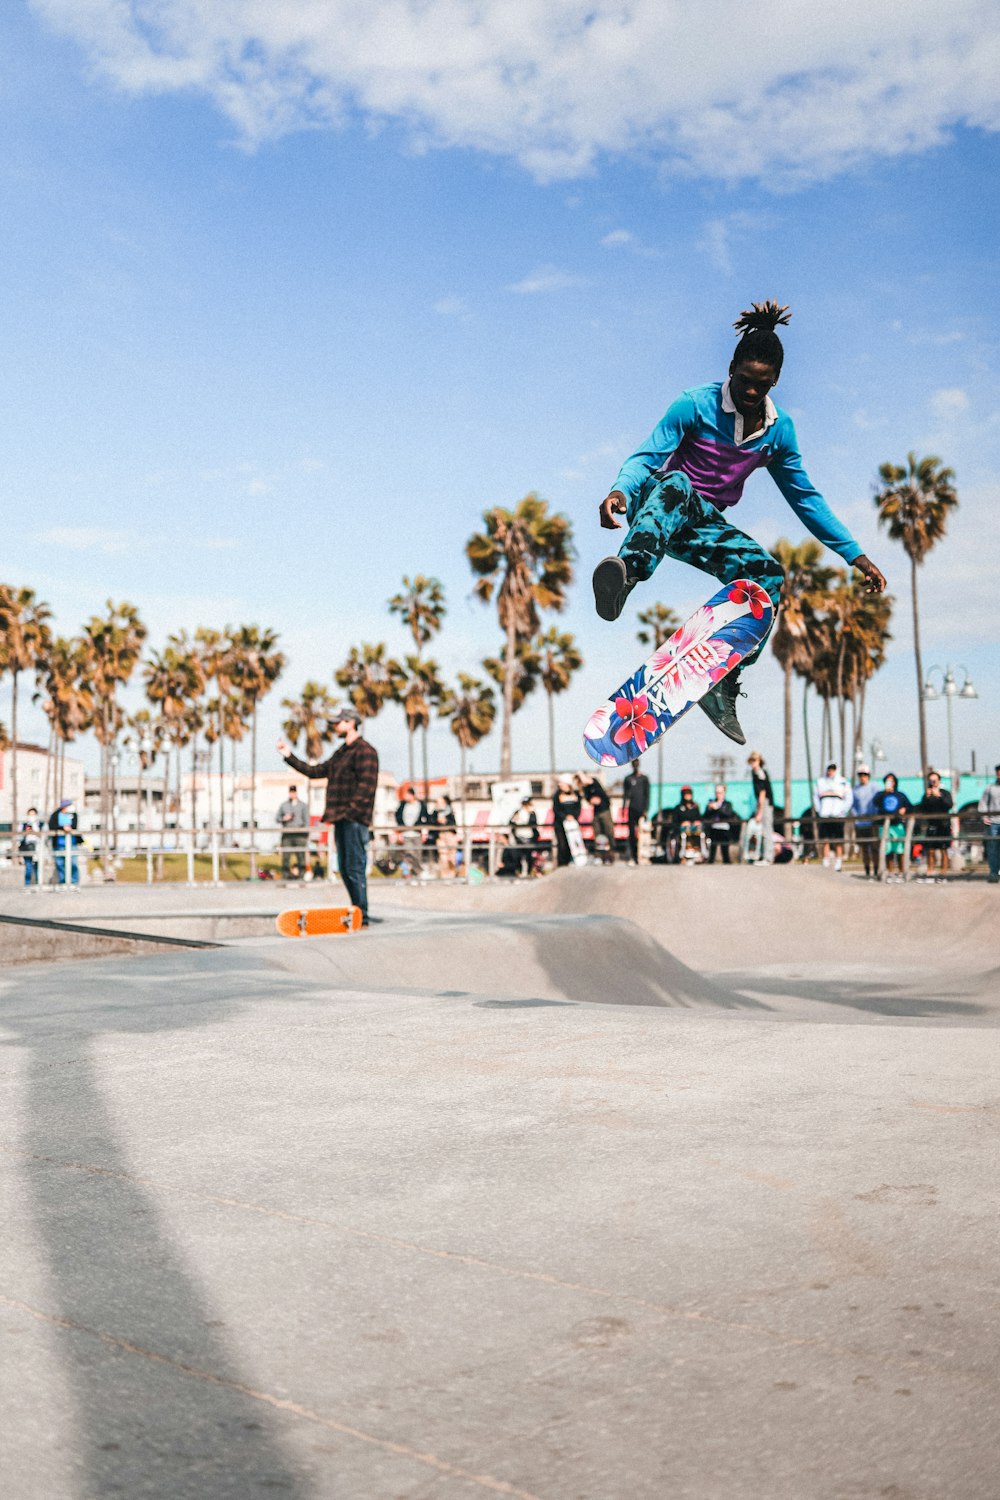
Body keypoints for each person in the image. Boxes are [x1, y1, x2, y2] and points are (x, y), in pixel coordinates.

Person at [592, 300, 886, 745]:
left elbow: (805, 498)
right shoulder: (695, 404)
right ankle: (626, 574)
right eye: (744, 381)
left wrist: (855, 554)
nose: (750, 392)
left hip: (703, 527)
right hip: (657, 507)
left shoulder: (778, 432)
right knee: (676, 483)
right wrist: (620, 490)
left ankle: (723, 681)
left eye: (761, 385)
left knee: (768, 576)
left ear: (776, 381)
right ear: (731, 368)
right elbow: (646, 456)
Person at [276, 706, 380, 926]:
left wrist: (351, 811)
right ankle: (357, 910)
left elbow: (367, 787)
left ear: (351, 723)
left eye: (339, 723)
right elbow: (316, 772)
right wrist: (288, 756)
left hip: (354, 819)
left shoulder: (365, 751)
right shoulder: (341, 753)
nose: (335, 727)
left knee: (355, 867)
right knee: (343, 867)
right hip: (340, 818)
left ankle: (363, 913)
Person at [872, 773, 912, 882]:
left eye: (892, 781)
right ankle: (889, 871)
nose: (890, 783)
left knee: (900, 849)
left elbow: (910, 806)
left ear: (895, 782)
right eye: (887, 781)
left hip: (897, 824)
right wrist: (884, 793)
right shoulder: (880, 795)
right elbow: (874, 802)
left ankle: (901, 871)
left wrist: (904, 809)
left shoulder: (900, 795)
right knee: (887, 850)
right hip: (884, 825)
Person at [813, 762, 852, 870]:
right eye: (829, 769)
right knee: (825, 838)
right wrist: (819, 810)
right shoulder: (821, 782)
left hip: (838, 815)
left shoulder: (843, 782)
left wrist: (843, 811)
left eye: (833, 769)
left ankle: (838, 860)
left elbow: (849, 798)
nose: (830, 771)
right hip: (825, 814)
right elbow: (815, 797)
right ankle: (826, 859)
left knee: (838, 839)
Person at [916, 770, 954, 879]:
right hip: (932, 824)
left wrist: (940, 796)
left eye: (934, 780)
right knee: (931, 849)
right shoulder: (927, 794)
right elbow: (922, 808)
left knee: (943, 849)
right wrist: (926, 798)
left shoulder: (945, 793)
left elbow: (949, 805)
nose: (933, 782)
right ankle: (930, 870)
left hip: (944, 824)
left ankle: (943, 871)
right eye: (931, 780)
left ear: (939, 781)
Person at [576, 772, 616, 864]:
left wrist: (581, 774)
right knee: (598, 834)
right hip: (596, 812)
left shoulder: (594, 781)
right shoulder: (585, 789)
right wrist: (591, 800)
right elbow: (588, 800)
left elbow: (588, 781)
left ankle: (610, 855)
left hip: (605, 810)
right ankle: (599, 856)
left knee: (608, 832)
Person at [394, 785, 430, 883]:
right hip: (406, 834)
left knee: (417, 855)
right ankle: (420, 872)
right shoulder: (402, 805)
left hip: (417, 833)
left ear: (411, 795)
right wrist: (400, 831)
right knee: (409, 854)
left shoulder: (421, 805)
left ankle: (416, 875)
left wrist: (424, 831)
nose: (404, 797)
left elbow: (426, 818)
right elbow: (397, 817)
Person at [744, 751, 774, 865]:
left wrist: (760, 812)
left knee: (767, 830)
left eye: (755, 761)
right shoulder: (754, 772)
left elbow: (762, 793)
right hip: (760, 803)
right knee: (761, 831)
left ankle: (768, 857)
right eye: (751, 761)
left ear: (759, 761)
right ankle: (762, 855)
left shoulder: (760, 773)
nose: (753, 763)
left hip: (765, 802)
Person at [276, 784, 310, 881]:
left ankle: (301, 875)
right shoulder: (284, 805)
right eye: (291, 792)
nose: (292, 794)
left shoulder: (303, 805)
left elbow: (307, 821)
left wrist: (306, 834)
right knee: (286, 856)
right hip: (287, 833)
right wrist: (284, 818)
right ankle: (285, 875)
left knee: (301, 855)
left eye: (294, 792)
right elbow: (277, 818)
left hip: (300, 834)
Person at [851, 764, 879, 878]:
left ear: (869, 776)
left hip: (872, 822)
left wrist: (874, 816)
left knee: (874, 848)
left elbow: (877, 803)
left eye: (865, 775)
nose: (863, 777)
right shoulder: (855, 790)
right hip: (861, 823)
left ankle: (876, 871)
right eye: (860, 775)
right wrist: (857, 816)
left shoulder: (874, 787)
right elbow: (852, 806)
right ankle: (867, 871)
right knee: (864, 848)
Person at [622, 758, 650, 864]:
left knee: (643, 833)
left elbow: (647, 795)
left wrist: (646, 809)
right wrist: (624, 808)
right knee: (632, 834)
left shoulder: (644, 779)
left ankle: (642, 856)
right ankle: (633, 856)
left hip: (641, 809)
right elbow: (625, 795)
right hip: (631, 809)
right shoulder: (628, 779)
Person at [49, 798, 81, 887]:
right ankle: (63, 882)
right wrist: (63, 828)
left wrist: (69, 827)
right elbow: (52, 826)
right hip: (58, 844)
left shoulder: (73, 815)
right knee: (60, 864)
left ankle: (74, 882)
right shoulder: (55, 815)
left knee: (73, 863)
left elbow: (74, 826)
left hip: (72, 843)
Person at [703, 784, 738, 864]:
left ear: (724, 793)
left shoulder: (727, 804)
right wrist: (710, 809)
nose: (718, 795)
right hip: (713, 829)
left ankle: (727, 865)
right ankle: (710, 865)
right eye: (717, 793)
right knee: (712, 850)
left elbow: (728, 814)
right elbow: (705, 816)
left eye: (720, 793)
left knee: (725, 850)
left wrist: (718, 808)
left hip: (724, 829)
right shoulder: (711, 803)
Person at [506, 795, 539, 878]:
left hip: (529, 836)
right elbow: (511, 822)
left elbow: (534, 823)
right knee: (518, 855)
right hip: (519, 836)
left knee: (529, 855)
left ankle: (528, 872)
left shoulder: (532, 813)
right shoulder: (518, 812)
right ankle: (519, 872)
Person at [552, 777, 582, 867]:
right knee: (562, 844)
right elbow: (556, 809)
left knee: (573, 842)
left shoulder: (575, 794)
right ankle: (562, 863)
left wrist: (574, 816)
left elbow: (578, 807)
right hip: (560, 824)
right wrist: (565, 816)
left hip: (572, 823)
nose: (560, 785)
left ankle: (572, 860)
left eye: (562, 783)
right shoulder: (557, 795)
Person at [427, 794, 458, 879]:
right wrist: (437, 821)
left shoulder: (450, 811)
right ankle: (444, 875)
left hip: (450, 835)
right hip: (440, 836)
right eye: (437, 802)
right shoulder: (435, 812)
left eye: (440, 802)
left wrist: (446, 821)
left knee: (451, 857)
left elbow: (454, 824)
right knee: (443, 856)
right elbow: (430, 823)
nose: (438, 804)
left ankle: (452, 874)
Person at [670, 786, 703, 863]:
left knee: (699, 831)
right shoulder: (678, 808)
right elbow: (674, 822)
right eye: (686, 794)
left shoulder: (695, 807)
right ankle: (682, 854)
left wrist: (697, 822)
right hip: (682, 831)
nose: (688, 796)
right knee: (684, 832)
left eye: (689, 794)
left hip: (694, 830)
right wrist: (682, 824)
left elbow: (700, 818)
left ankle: (698, 851)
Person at [979, 764, 1000, 884]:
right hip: (994, 822)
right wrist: (984, 817)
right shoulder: (990, 788)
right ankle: (993, 872)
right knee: (993, 848)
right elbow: (983, 804)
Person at [18, 807, 42, 888]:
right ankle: (27, 884)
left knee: (37, 866)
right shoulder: (24, 824)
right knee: (28, 866)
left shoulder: (40, 824)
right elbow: (19, 836)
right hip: (27, 846)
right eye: (30, 814)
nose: (31, 816)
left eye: (33, 814)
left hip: (38, 847)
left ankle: (38, 884)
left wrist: (34, 826)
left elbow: (42, 835)